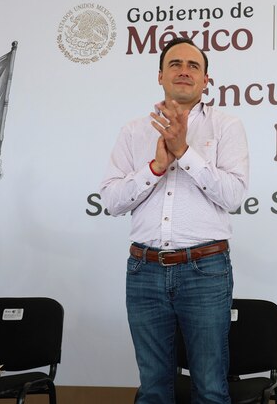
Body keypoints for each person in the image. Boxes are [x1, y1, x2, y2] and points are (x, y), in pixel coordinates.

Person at [99, 37, 250, 404]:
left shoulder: (226, 127)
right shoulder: (134, 131)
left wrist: (184, 151)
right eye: (176, 64)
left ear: (206, 79)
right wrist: (155, 168)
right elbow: (111, 201)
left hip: (205, 268)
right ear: (160, 76)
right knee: (153, 388)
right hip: (144, 269)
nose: (184, 71)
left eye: (193, 66)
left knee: (210, 386)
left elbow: (232, 196)